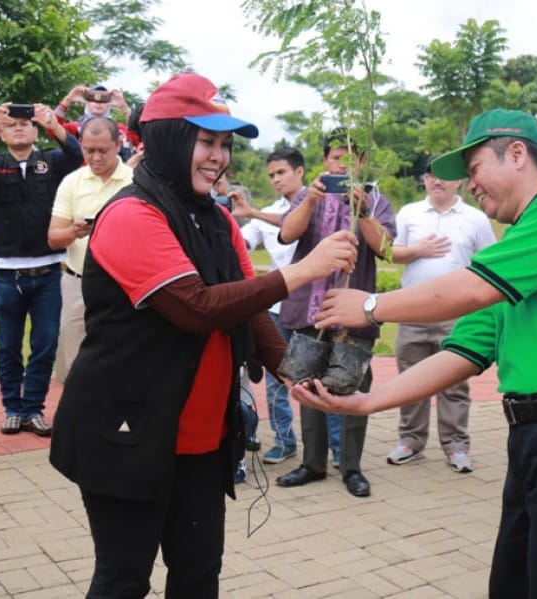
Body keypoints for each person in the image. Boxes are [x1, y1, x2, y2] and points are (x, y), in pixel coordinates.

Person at [294, 109, 537, 599]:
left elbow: (468, 290)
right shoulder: (515, 250)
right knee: (517, 581)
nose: (470, 183)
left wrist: (373, 306)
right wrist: (364, 404)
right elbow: (461, 351)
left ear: (519, 154)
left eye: (476, 167)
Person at [48, 72, 357, 598]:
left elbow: (248, 305)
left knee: (198, 576)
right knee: (123, 581)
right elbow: (195, 307)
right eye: (205, 140)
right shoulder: (130, 215)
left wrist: (292, 373)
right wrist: (301, 272)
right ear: (169, 137)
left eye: (224, 144)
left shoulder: (215, 220)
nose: (218, 156)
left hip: (202, 439)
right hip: (126, 433)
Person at [275, 128, 396, 498]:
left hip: (354, 311)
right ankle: (312, 463)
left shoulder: (376, 201)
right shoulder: (305, 196)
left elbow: (386, 248)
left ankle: (352, 467)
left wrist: (359, 212)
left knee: (354, 385)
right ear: (325, 162)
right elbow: (286, 235)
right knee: (306, 384)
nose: (341, 164)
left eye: (349, 158)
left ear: (361, 163)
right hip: (308, 309)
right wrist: (309, 201)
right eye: (335, 157)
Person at [385, 154, 495, 472]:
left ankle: (456, 446)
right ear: (424, 180)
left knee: (454, 383)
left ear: (459, 180)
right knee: (410, 379)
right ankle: (410, 441)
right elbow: (390, 251)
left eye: (443, 176)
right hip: (412, 311)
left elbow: (488, 263)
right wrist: (417, 250)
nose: (436, 181)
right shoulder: (409, 213)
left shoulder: (475, 218)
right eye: (430, 175)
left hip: (456, 315)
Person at [0, 101, 83, 436]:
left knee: (44, 344)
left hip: (47, 271)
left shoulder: (50, 160)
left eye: (24, 123)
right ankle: (13, 408)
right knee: (8, 346)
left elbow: (78, 158)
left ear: (33, 129)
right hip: (6, 272)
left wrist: (53, 125)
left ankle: (34, 410)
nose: (18, 127)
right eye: (10, 123)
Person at [47, 117, 134, 382]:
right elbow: (53, 238)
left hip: (123, 285)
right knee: (74, 361)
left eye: (103, 151)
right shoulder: (71, 182)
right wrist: (74, 231)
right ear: (81, 145)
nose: (95, 157)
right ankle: (78, 421)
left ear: (118, 145)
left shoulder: (136, 182)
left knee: (125, 357)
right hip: (77, 283)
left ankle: (123, 421)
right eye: (88, 150)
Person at [233, 148, 302, 464]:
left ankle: (334, 448)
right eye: (272, 175)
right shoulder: (265, 215)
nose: (276, 179)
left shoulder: (321, 205)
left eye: (282, 172)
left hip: (314, 309)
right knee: (277, 379)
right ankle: (285, 441)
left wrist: (252, 212)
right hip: (277, 310)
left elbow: (292, 222)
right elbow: (240, 242)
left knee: (317, 376)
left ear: (299, 172)